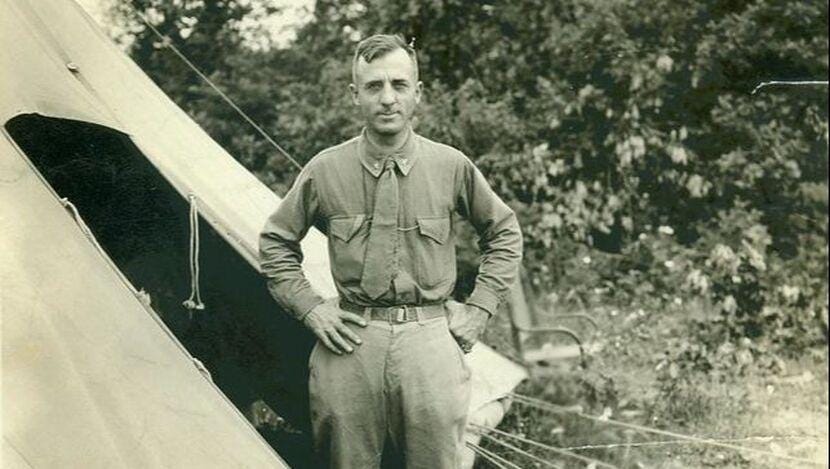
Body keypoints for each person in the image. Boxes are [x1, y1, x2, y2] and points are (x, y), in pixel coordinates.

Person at [259, 34, 523, 469]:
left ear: (417, 92)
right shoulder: (326, 169)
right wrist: (310, 309)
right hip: (351, 343)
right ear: (354, 95)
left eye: (399, 85)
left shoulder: (450, 166)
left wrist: (480, 309)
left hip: (430, 343)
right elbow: (275, 242)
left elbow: (504, 232)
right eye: (373, 86)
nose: (387, 99)